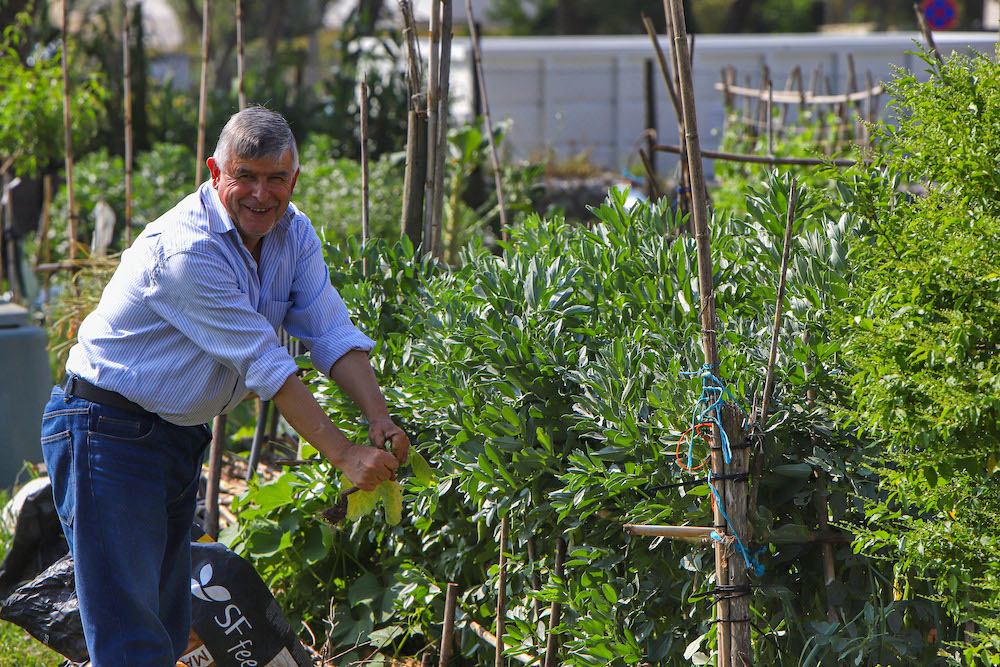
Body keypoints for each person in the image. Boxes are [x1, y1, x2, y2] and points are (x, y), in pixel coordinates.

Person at [39, 106, 409, 666]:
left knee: (168, 627)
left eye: (275, 178)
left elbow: (330, 330)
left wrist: (379, 418)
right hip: (106, 433)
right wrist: (344, 454)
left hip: (173, 436)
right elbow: (266, 363)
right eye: (245, 176)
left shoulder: (294, 233)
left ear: (294, 179)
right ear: (216, 173)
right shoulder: (186, 250)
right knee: (130, 636)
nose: (261, 194)